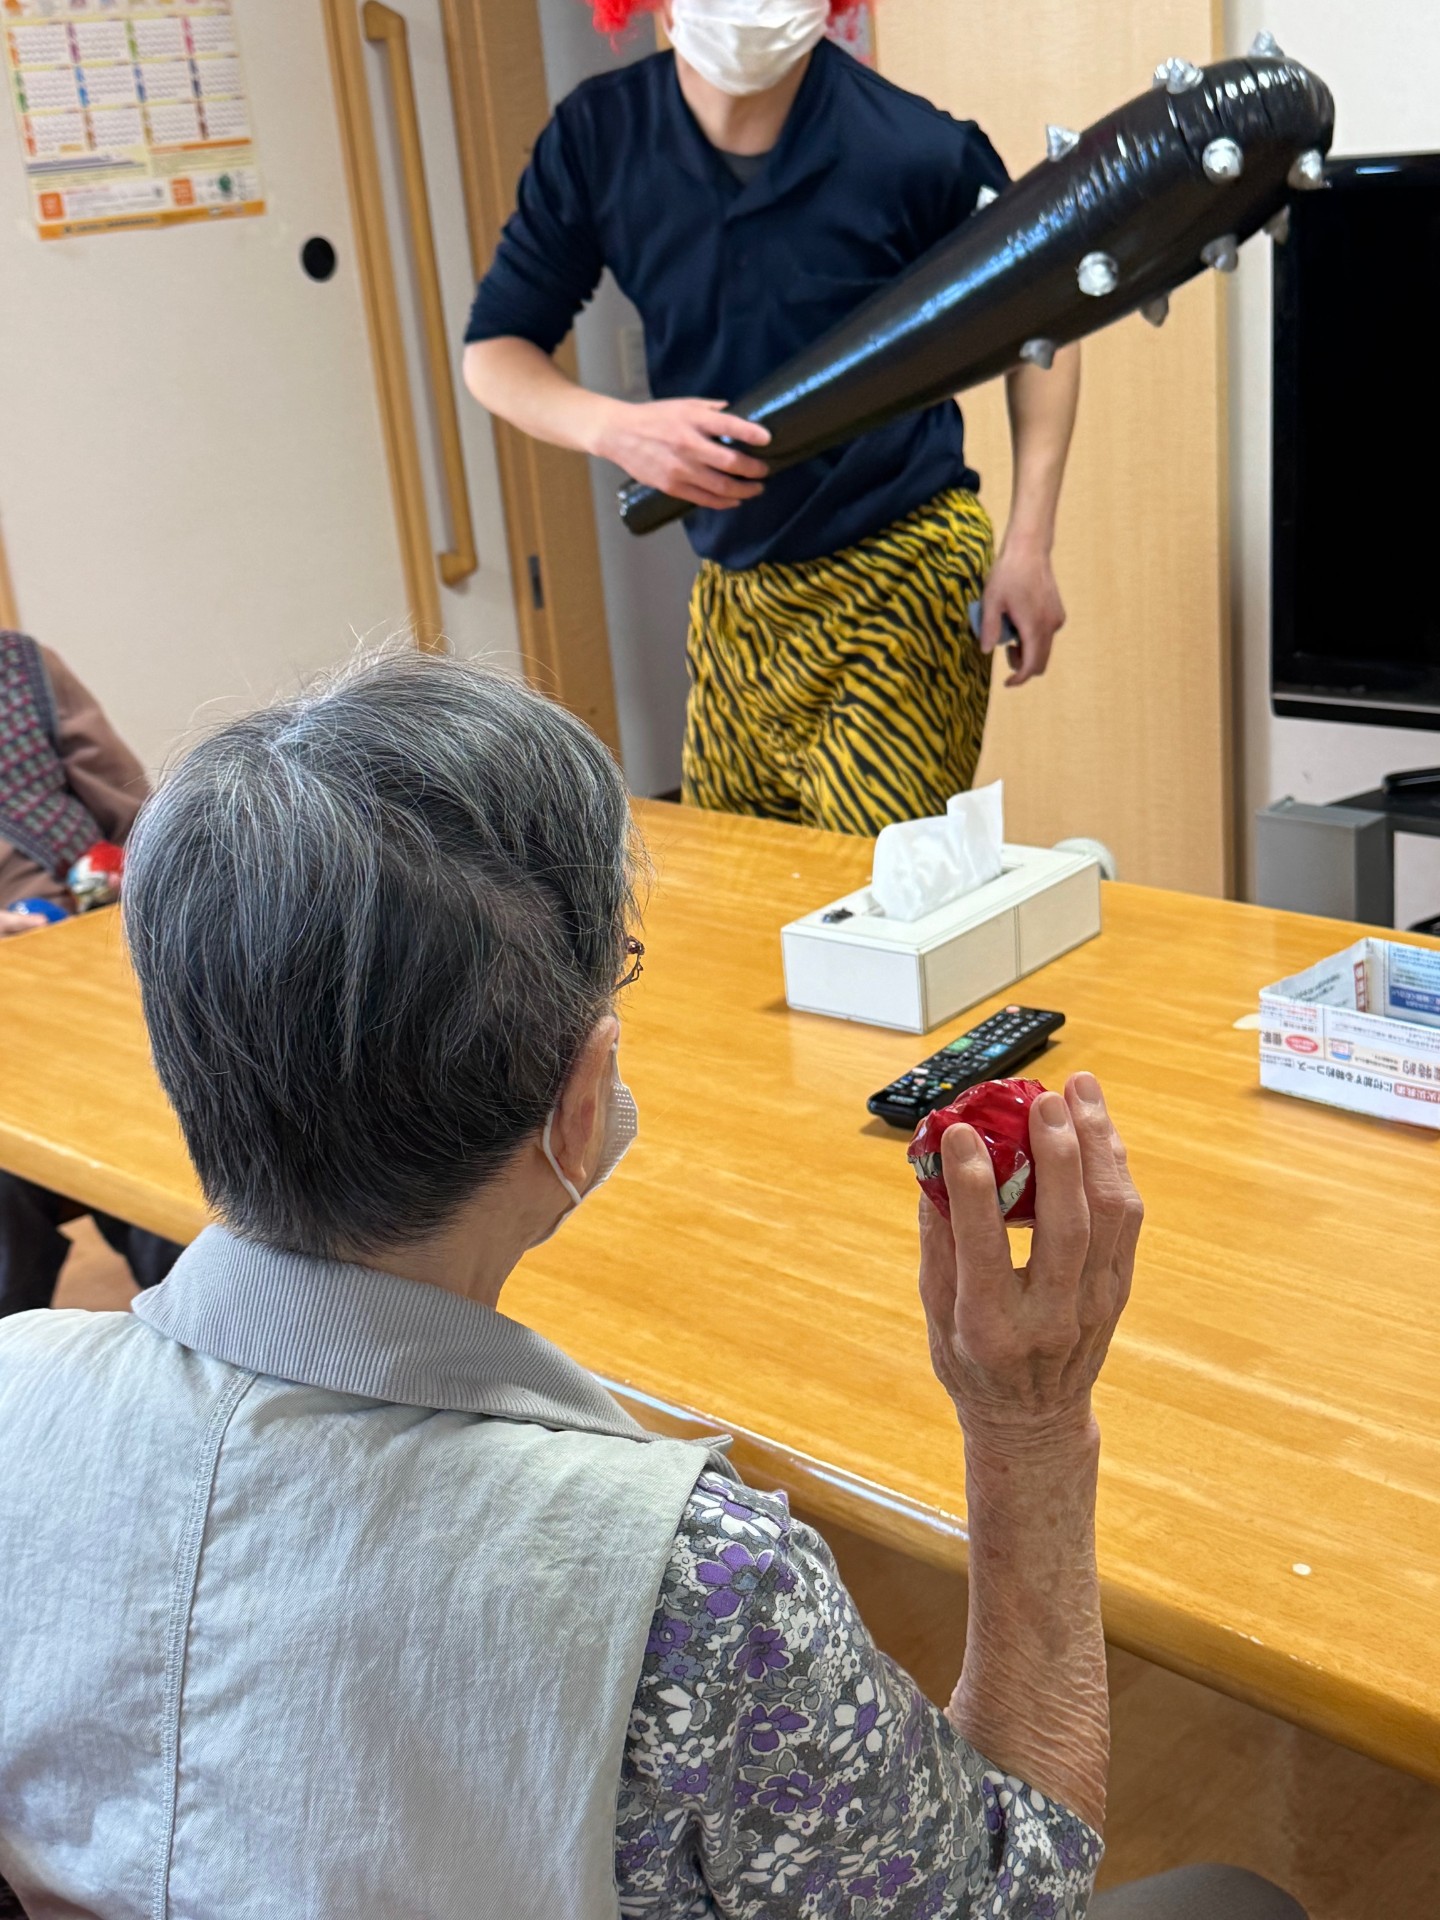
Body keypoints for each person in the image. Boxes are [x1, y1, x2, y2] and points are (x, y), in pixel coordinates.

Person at [0, 651, 1306, 1919]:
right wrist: (1029, 1423)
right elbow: (1007, 1890)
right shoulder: (691, 1592)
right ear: (580, 1104)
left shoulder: (14, 1391)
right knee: (1235, 1898)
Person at [463, 0, 1081, 838]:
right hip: (734, 593)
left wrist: (1029, 543)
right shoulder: (598, 138)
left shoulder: (917, 150)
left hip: (902, 570)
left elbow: (1046, 328)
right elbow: (495, 352)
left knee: (874, 889)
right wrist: (615, 429)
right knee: (743, 883)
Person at [0, 629, 182, 1316]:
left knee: (166, 1134)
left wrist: (133, 879)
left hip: (92, 952)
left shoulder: (21, 666)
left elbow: (138, 817)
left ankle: (202, 1328)